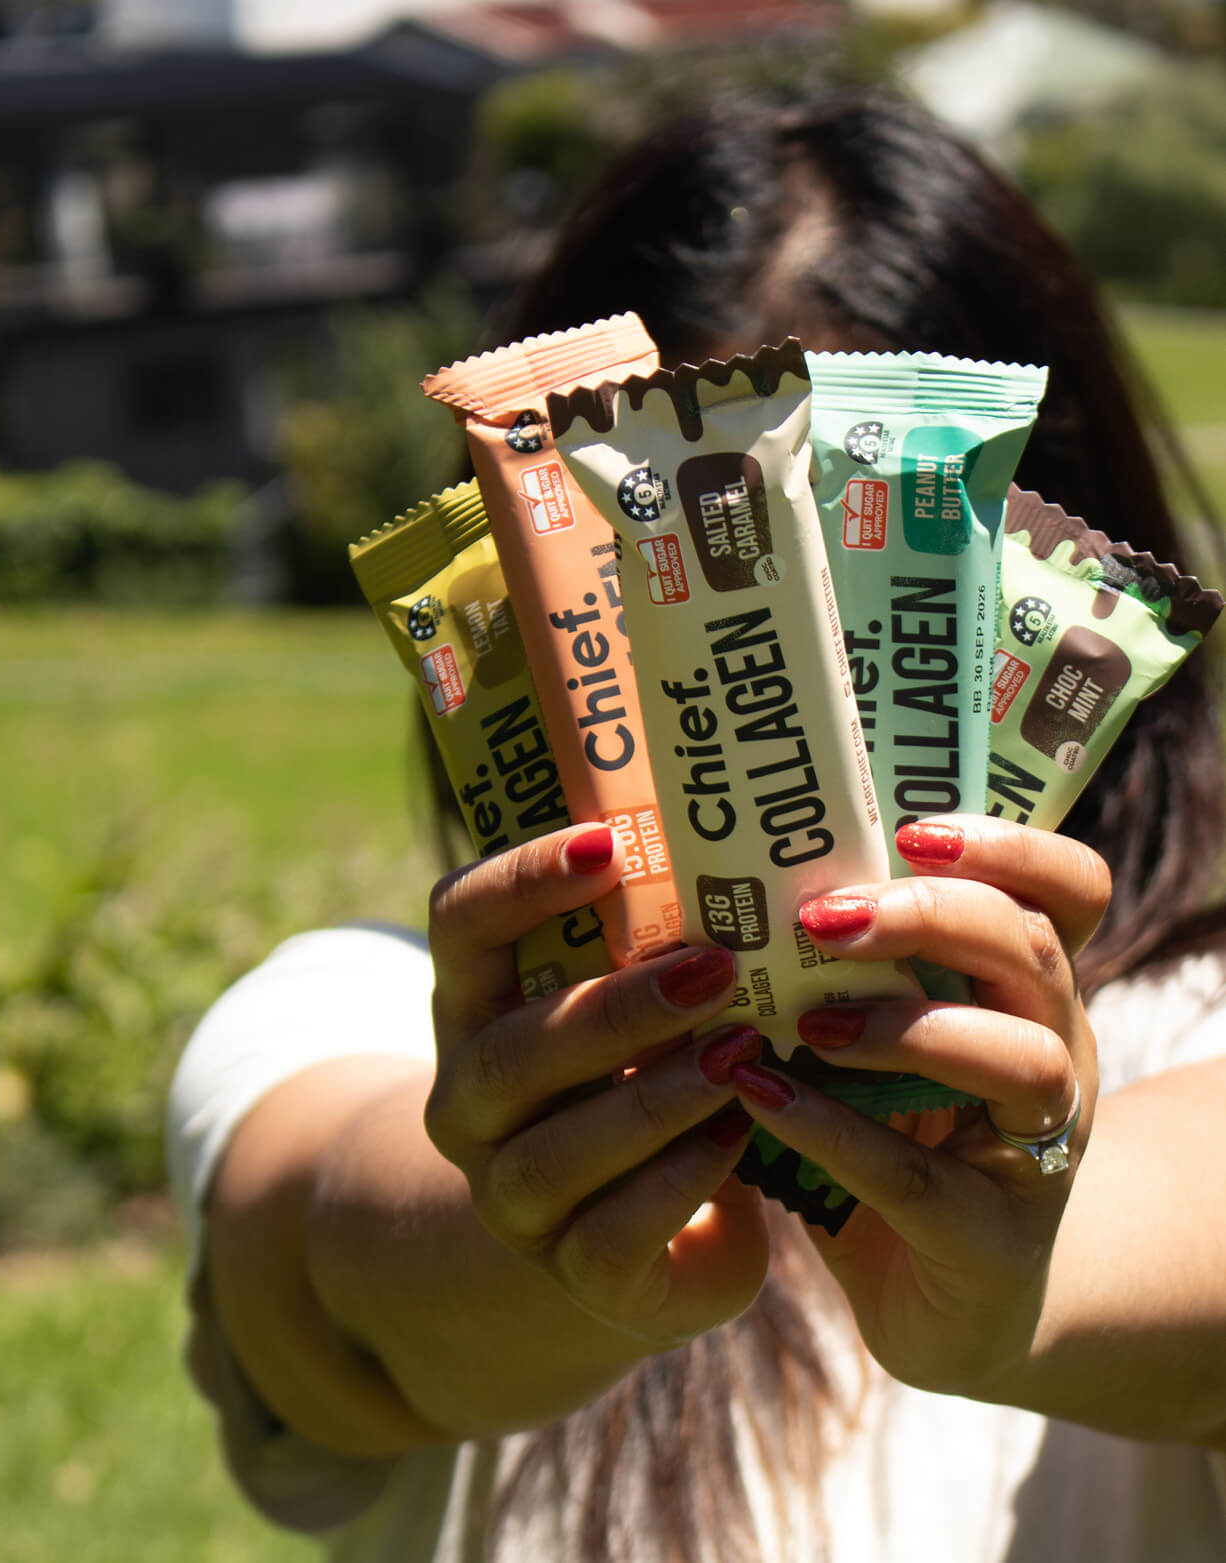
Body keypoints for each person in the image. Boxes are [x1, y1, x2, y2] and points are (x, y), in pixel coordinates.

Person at [168, 87, 1226, 1562]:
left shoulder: (1197, 1028)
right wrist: (541, 1217)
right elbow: (333, 1313)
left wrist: (1023, 1230)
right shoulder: (357, 1016)